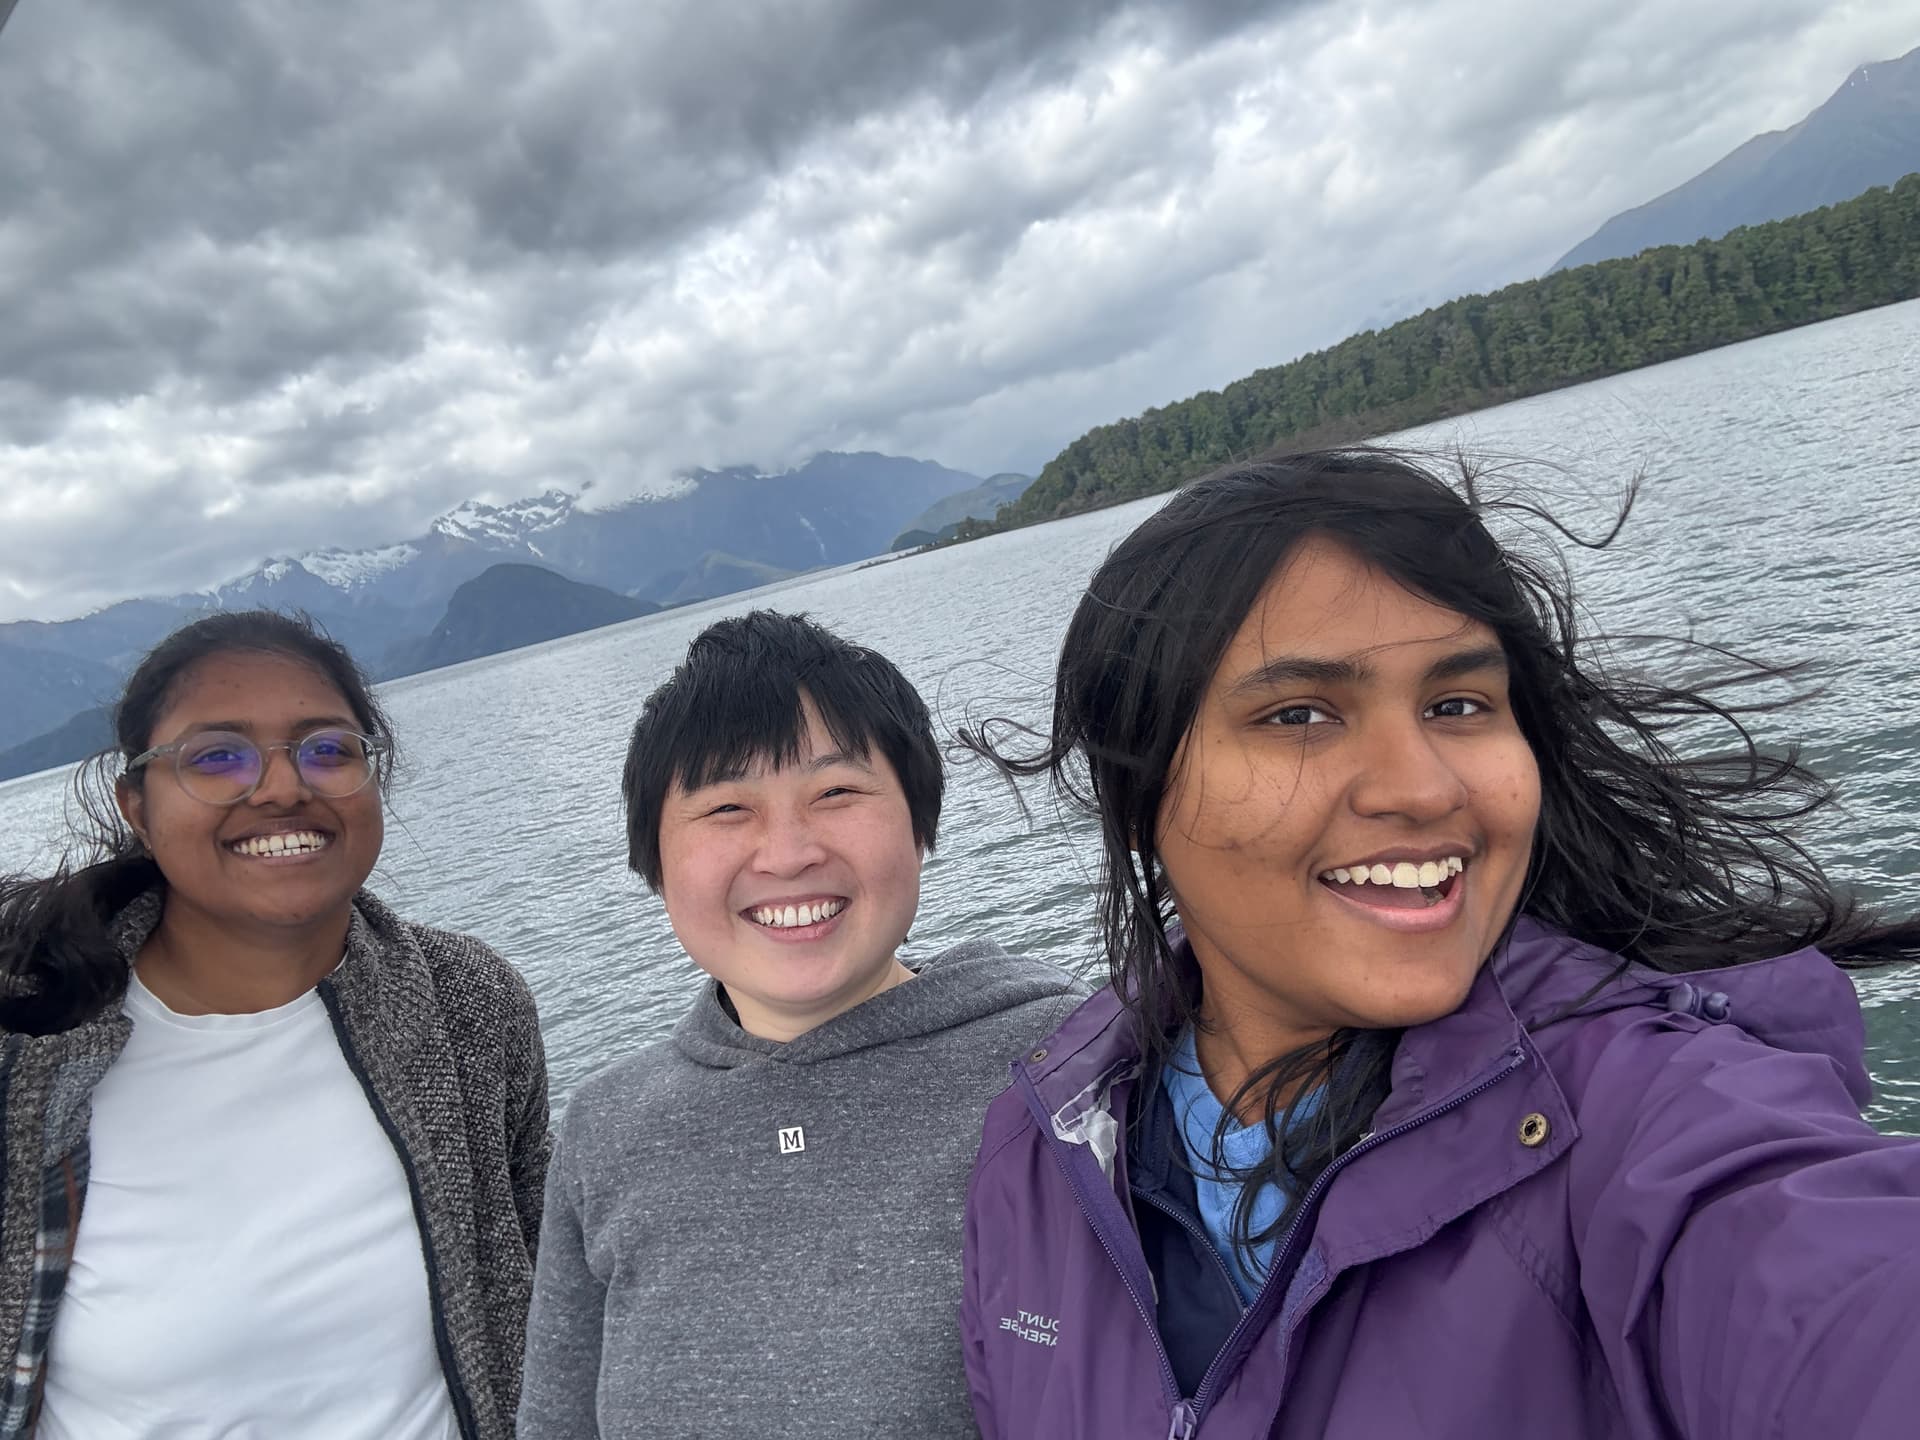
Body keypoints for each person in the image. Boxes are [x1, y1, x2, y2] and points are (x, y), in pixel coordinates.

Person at [957, 449, 1920, 1440]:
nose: (1420, 788)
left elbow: (1835, 1303)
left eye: (1458, 705)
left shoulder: (1646, 1111)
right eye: (1299, 715)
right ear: (1140, 792)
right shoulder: (1041, 1154)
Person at [517, 610, 1085, 1439]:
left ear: (919, 822)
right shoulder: (606, 1129)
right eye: (725, 809)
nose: (785, 854)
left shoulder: (1065, 1063)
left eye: (836, 793)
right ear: (655, 860)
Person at [0, 610, 549, 1440]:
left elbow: (547, 1293)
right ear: (138, 807)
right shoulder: (28, 1047)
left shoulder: (468, 1002)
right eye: (217, 756)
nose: (285, 786)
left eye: (329, 749)